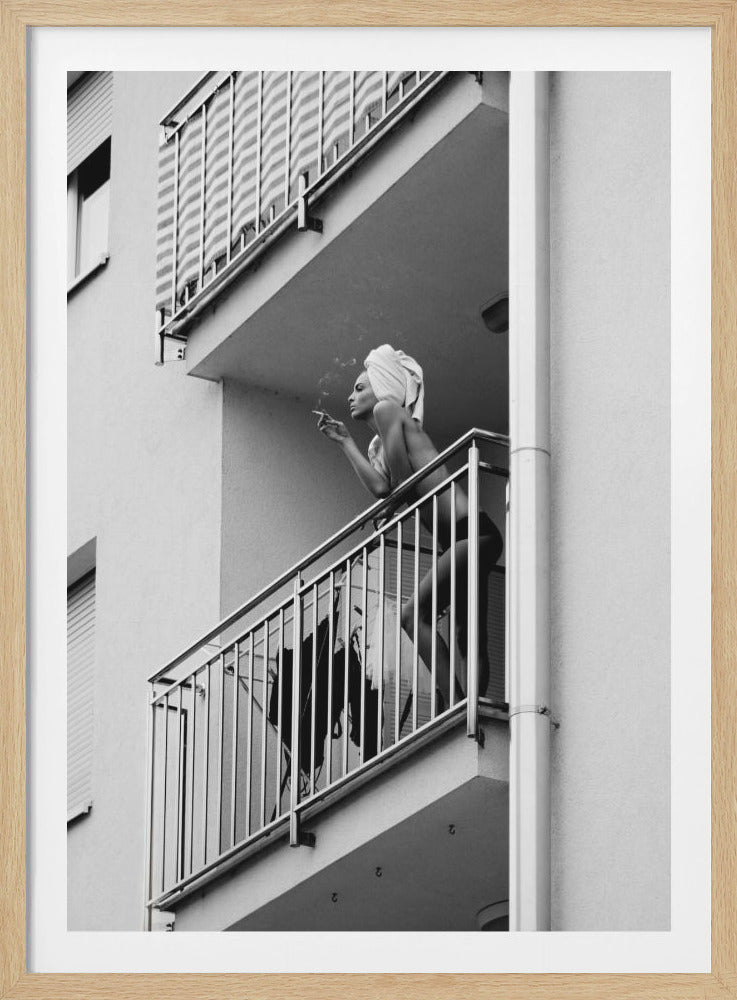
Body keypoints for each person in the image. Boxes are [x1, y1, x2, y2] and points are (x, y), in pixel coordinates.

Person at [316, 344, 502, 710]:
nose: (350, 396)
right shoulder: (380, 443)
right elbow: (384, 489)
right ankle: (471, 708)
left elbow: (401, 482)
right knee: (467, 633)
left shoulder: (389, 410)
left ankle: (456, 705)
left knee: (412, 615)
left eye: (359, 387)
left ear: (382, 385)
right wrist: (344, 442)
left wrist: (391, 505)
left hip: (471, 533)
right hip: (468, 537)